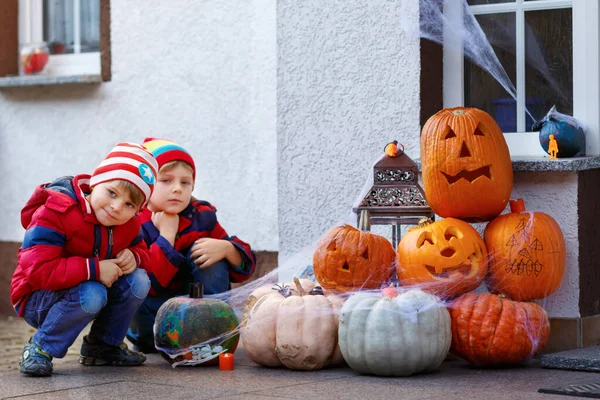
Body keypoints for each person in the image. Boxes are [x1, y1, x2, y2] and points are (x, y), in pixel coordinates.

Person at [10, 142, 159, 377]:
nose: (116, 207)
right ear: (96, 181)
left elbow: (144, 252)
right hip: (37, 297)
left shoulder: (128, 224)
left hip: (87, 290)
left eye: (129, 204)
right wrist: (94, 269)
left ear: (137, 211)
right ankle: (40, 347)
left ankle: (103, 347)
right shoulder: (57, 211)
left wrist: (135, 256)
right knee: (92, 293)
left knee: (138, 280)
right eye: (112, 193)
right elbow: (37, 270)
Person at [126, 138, 256, 353]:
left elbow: (246, 269)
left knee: (211, 255)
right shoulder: (133, 222)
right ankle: (152, 340)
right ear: (146, 184)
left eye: (185, 182)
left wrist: (227, 249)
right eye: (166, 180)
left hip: (194, 314)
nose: (177, 188)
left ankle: (212, 333)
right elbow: (152, 283)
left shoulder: (201, 215)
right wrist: (166, 236)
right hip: (151, 321)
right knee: (135, 281)